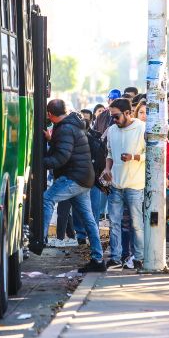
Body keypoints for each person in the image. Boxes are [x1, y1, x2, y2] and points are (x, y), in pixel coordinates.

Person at [41, 99, 106, 272]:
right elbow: (65, 146)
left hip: (73, 178)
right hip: (85, 178)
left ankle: (41, 238)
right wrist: (51, 139)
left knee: (46, 199)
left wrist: (40, 163)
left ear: (50, 114)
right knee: (88, 219)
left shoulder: (65, 129)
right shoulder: (71, 124)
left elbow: (62, 157)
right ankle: (98, 260)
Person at [102, 98, 146, 270]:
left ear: (128, 113)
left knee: (136, 223)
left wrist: (133, 157)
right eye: (112, 116)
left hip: (135, 185)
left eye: (116, 116)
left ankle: (139, 257)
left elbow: (151, 154)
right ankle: (116, 257)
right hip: (116, 184)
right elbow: (110, 153)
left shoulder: (141, 128)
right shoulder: (112, 130)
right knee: (114, 222)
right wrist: (107, 169)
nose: (114, 120)